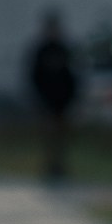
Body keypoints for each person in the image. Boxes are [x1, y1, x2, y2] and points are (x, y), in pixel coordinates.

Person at [27, 11, 79, 180]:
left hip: (63, 102)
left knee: (61, 137)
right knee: (48, 136)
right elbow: (34, 77)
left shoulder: (64, 49)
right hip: (45, 102)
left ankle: (60, 166)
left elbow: (73, 76)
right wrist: (38, 99)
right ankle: (49, 167)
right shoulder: (41, 51)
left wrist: (72, 98)